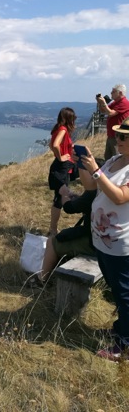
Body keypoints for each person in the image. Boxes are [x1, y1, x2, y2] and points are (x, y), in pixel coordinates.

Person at [77, 122, 129, 361]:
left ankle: (124, 346)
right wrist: (83, 165)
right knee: (117, 290)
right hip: (103, 241)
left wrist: (96, 170)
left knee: (125, 295)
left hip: (121, 244)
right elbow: (90, 186)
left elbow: (119, 197)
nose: (118, 138)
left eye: (125, 136)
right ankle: (121, 329)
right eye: (119, 134)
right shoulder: (114, 160)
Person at [47, 107, 77, 235]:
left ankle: (53, 229)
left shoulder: (58, 128)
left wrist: (68, 149)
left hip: (61, 166)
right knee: (60, 199)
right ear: (69, 118)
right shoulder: (63, 129)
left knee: (58, 199)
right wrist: (61, 157)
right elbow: (54, 145)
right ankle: (53, 230)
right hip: (62, 167)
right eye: (73, 118)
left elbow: (51, 144)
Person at [98, 84, 129, 160]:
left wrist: (104, 103)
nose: (111, 93)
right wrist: (99, 102)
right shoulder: (115, 102)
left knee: (116, 158)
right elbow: (103, 110)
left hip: (119, 135)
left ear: (120, 93)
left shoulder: (124, 102)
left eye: (113, 91)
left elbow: (110, 113)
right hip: (112, 134)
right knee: (108, 158)